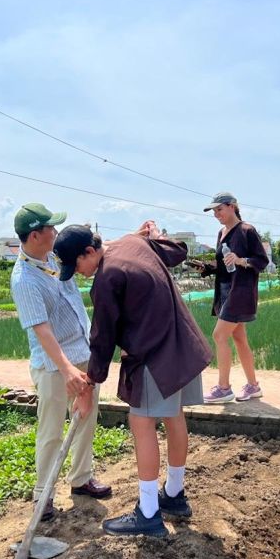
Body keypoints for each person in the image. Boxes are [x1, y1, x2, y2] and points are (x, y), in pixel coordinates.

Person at [53, 222, 212, 537]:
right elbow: (177, 252)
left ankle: (149, 513)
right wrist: (153, 235)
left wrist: (89, 384)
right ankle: (175, 495)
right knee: (174, 416)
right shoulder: (132, 243)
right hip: (183, 343)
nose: (80, 273)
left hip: (156, 354)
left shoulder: (107, 277)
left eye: (78, 264)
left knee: (142, 424)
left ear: (89, 251)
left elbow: (103, 337)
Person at [10, 203, 112, 523]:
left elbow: (93, 251)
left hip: (82, 351)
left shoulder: (55, 258)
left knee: (85, 418)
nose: (56, 232)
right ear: (36, 235)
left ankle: (81, 479)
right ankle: (44, 494)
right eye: (51, 229)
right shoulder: (24, 279)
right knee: (51, 430)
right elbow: (42, 331)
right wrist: (67, 369)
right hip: (53, 366)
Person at [188, 192, 269, 404]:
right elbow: (225, 265)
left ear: (232, 206)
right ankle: (253, 386)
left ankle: (224, 388)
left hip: (240, 291)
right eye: (213, 211)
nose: (216, 214)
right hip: (225, 290)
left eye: (219, 209)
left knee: (219, 336)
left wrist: (242, 260)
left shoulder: (247, 231)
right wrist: (206, 267)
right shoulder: (221, 233)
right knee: (239, 338)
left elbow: (261, 261)